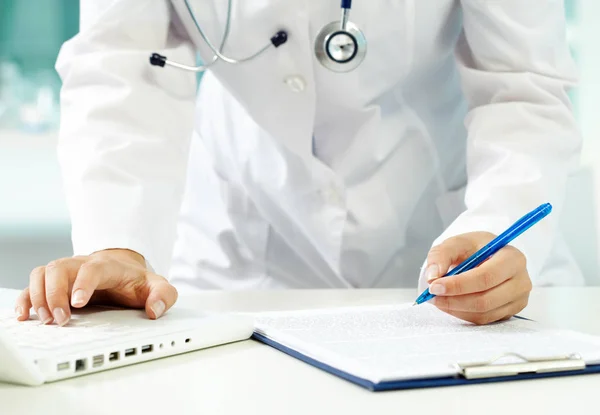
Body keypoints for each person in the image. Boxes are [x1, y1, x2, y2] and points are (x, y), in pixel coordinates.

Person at [15, 0, 583, 328]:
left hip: (454, 222)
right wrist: (118, 241)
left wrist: (498, 226)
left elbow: (522, 83)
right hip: (244, 247)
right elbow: (122, 64)